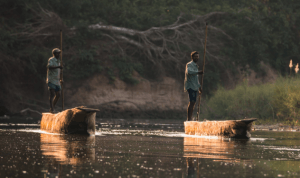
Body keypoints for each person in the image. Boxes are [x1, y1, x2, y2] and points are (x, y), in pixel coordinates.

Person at [184, 51, 203, 121]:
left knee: (193, 102)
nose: (196, 58)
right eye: (195, 56)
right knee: (192, 102)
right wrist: (198, 72)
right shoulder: (189, 64)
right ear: (192, 57)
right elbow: (189, 72)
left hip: (195, 86)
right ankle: (189, 119)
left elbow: (196, 79)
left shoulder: (196, 66)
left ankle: (190, 118)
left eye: (197, 57)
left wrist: (199, 87)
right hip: (190, 86)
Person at [46, 48, 63, 113]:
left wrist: (61, 79)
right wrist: (58, 67)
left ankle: (52, 107)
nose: (58, 54)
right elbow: (49, 67)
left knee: (58, 94)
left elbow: (60, 72)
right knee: (52, 93)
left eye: (59, 53)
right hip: (51, 79)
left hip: (57, 80)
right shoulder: (51, 60)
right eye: (57, 53)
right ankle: (52, 109)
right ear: (54, 54)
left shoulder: (59, 61)